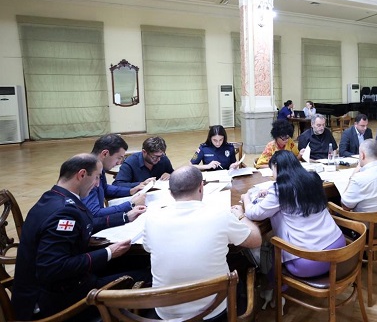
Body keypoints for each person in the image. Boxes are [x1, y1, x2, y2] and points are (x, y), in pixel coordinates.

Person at [12, 154, 140, 320]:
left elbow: (85, 224)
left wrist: (125, 217)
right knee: (143, 276)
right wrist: (108, 252)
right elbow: (53, 267)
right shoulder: (63, 213)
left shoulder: (55, 197)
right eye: (96, 178)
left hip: (62, 283)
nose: (97, 184)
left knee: (131, 261)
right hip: (54, 302)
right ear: (81, 174)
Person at [143, 166, 261, 321]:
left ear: (170, 193)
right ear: (201, 187)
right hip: (214, 310)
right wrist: (240, 216)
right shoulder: (220, 214)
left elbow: (147, 248)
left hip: (166, 312)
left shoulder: (152, 218)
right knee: (241, 263)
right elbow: (256, 240)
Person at [243, 151, 345, 280]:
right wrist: (270, 193)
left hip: (309, 261)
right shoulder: (313, 179)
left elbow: (253, 213)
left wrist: (246, 198)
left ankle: (274, 284)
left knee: (272, 243)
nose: (273, 175)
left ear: (276, 166)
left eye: (272, 170)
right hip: (340, 249)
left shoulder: (280, 190)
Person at [82, 134, 148, 230]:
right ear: (105, 154)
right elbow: (95, 214)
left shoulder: (96, 167)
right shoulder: (89, 174)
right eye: (119, 158)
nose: (119, 162)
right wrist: (131, 204)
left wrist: (130, 191)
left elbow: (104, 188)